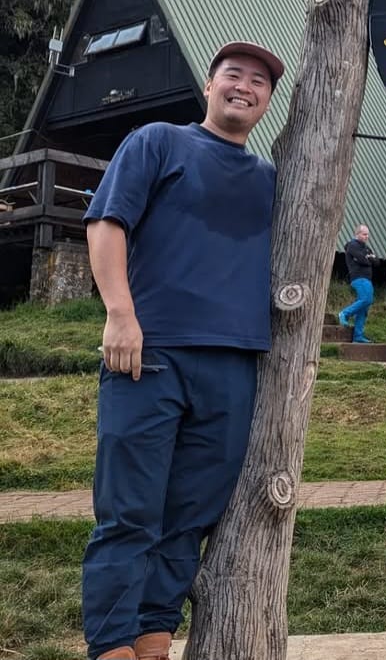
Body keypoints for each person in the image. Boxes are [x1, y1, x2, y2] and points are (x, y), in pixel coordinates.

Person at [81, 41, 284, 660]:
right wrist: (120, 313)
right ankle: (111, 648)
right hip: (151, 354)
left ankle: (153, 646)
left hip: (235, 365)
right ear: (210, 85)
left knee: (186, 522)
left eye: (258, 81)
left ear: (269, 101)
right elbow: (105, 223)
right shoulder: (157, 142)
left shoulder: (274, 180)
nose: (243, 87)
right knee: (128, 516)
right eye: (233, 75)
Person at [338, 223, 376, 343]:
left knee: (364, 308)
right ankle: (345, 313)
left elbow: (377, 262)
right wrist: (368, 258)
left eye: (368, 234)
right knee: (367, 299)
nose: (367, 237)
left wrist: (368, 258)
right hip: (359, 278)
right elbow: (363, 260)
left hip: (367, 279)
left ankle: (358, 336)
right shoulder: (352, 246)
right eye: (364, 234)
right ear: (357, 234)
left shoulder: (366, 248)